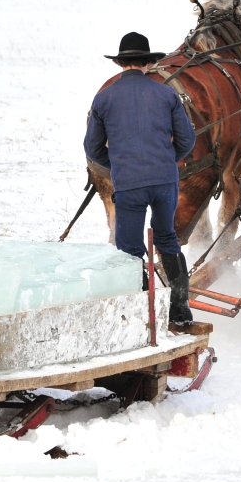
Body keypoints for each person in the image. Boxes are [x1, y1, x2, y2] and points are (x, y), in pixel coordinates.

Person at [83, 32, 197, 326]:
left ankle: (143, 313)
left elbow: (92, 148)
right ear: (148, 62)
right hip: (164, 181)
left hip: (129, 183)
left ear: (120, 63)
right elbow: (186, 140)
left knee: (131, 248)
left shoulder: (104, 97)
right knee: (167, 237)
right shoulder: (167, 94)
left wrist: (120, 165)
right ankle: (180, 309)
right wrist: (166, 161)